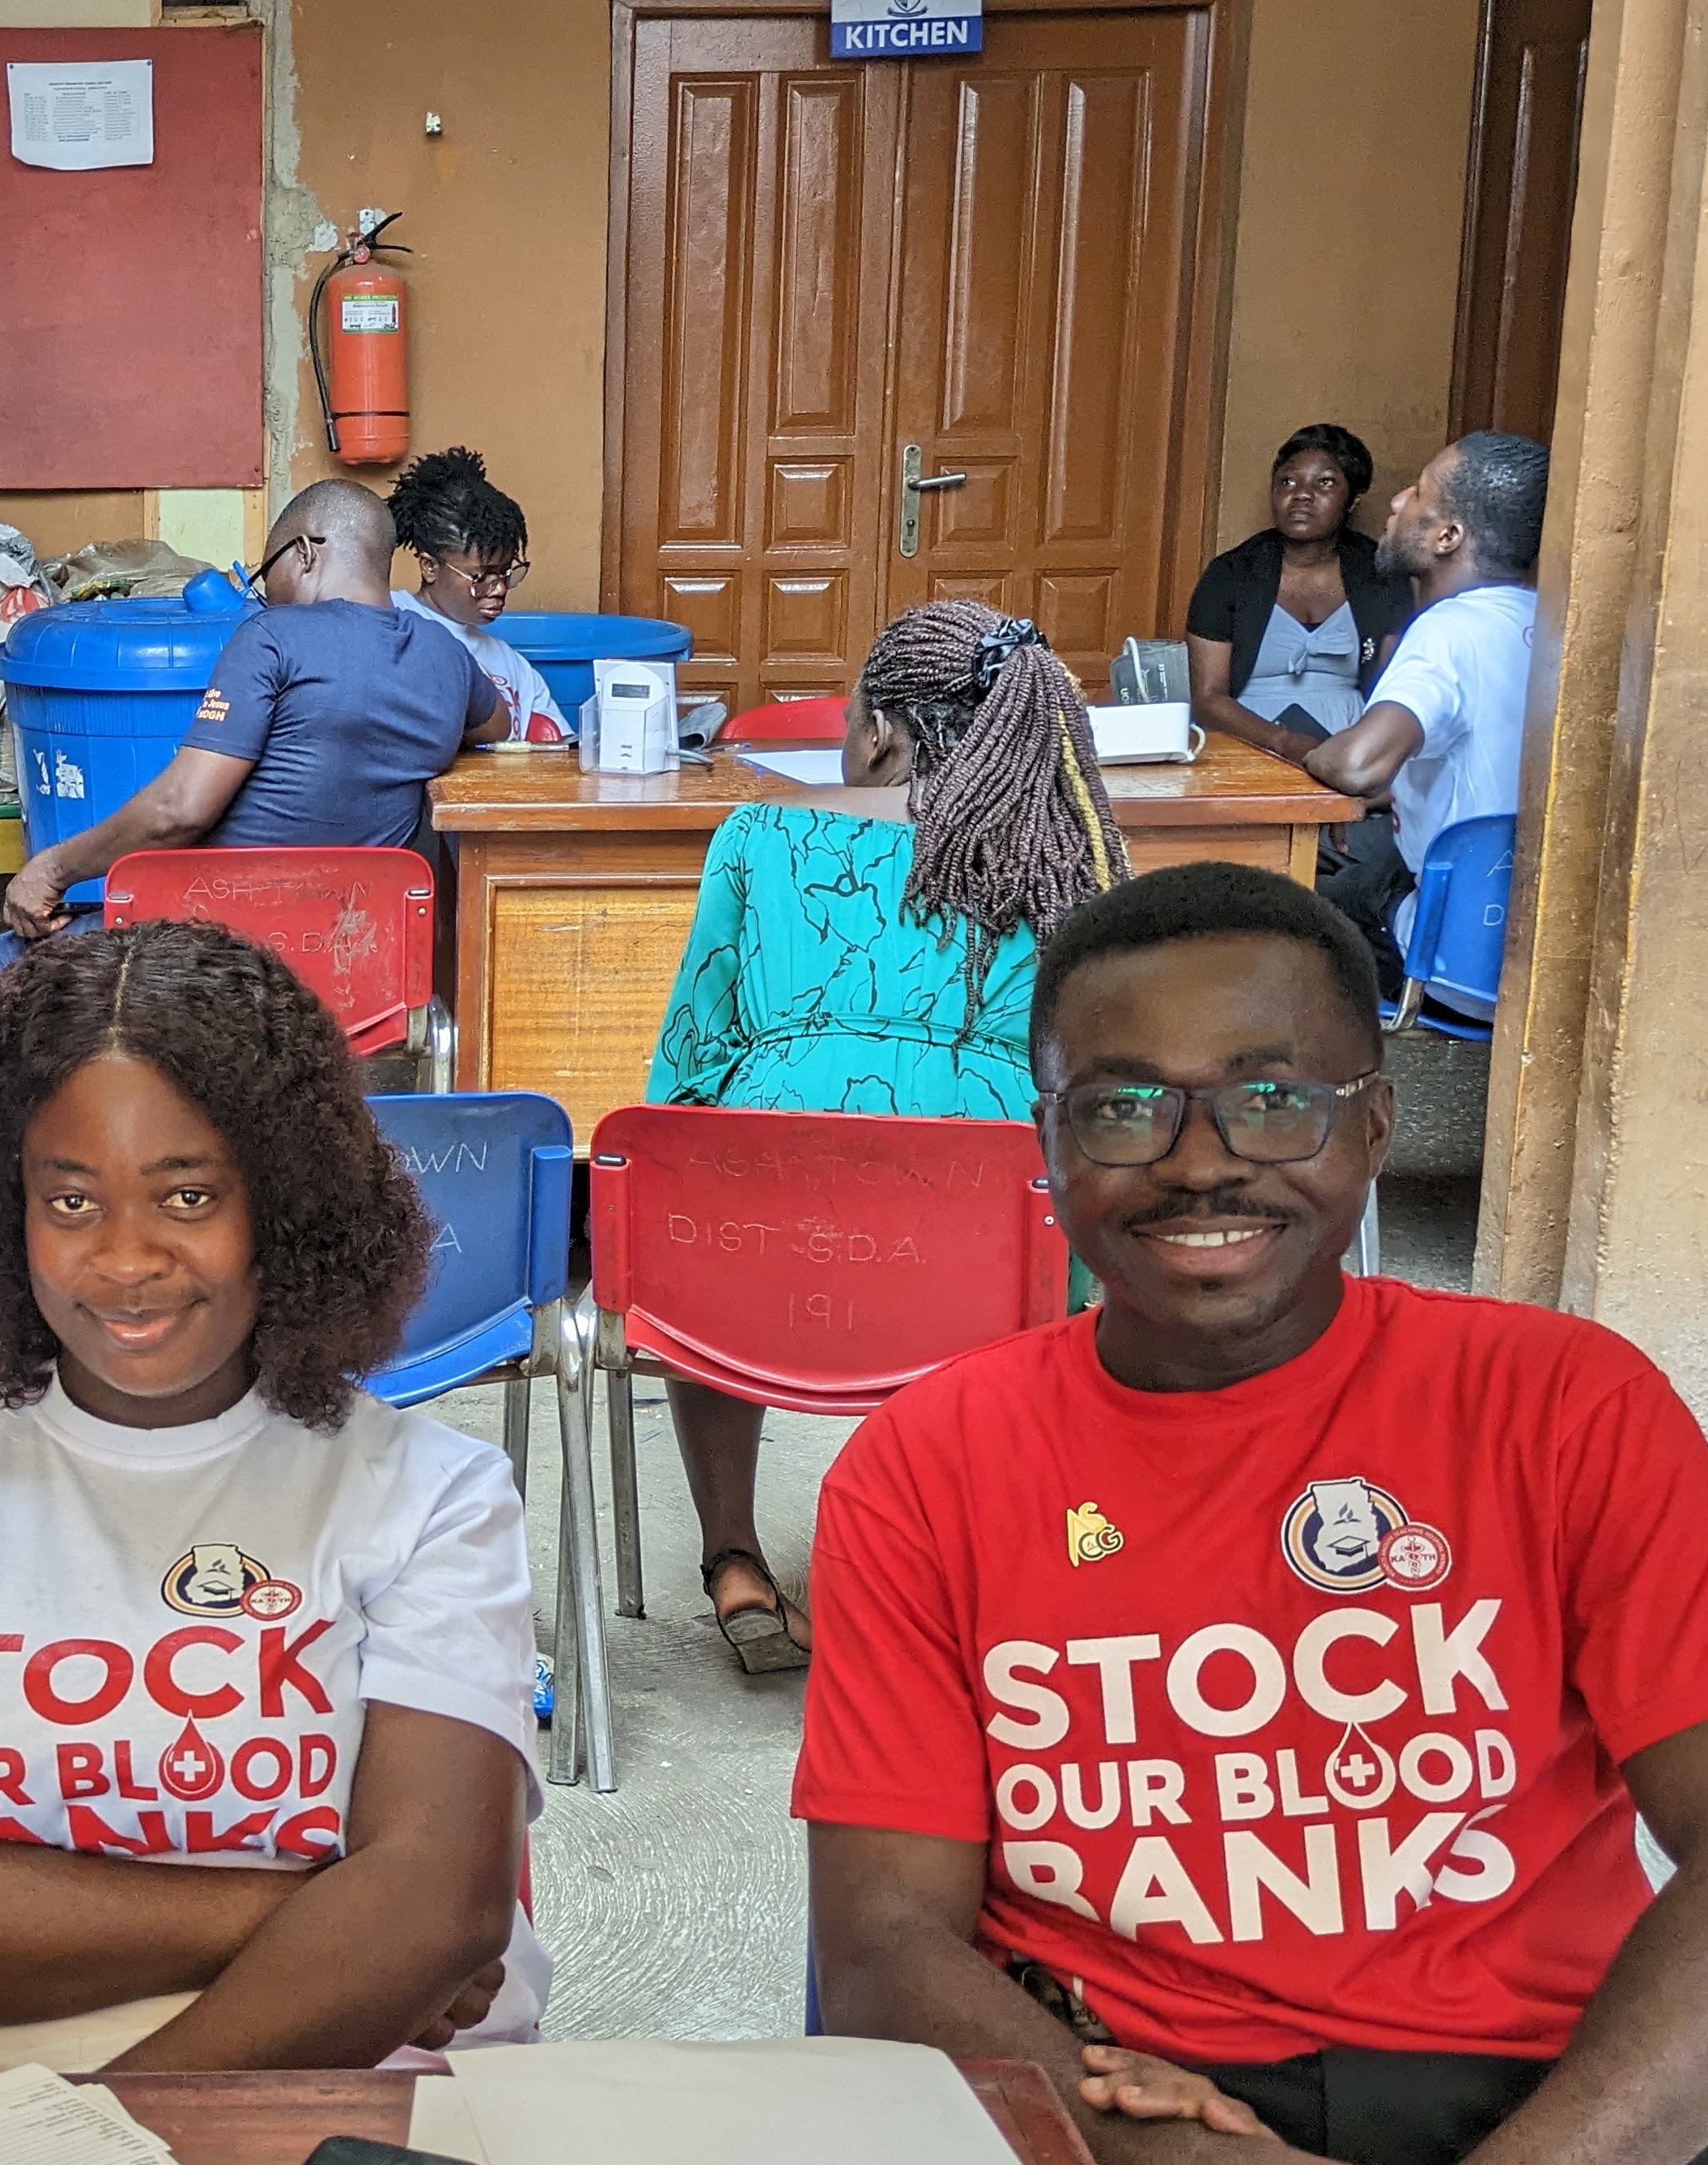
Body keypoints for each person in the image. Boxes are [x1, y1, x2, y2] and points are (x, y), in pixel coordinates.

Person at [798, 860, 1708, 2165]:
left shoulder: (1558, 1403)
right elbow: (882, 1946)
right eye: (1121, 1106)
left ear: (1372, 1121)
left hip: (1553, 2114)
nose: (1197, 1159)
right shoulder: (927, 1462)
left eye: (1269, 1095)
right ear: (1045, 1142)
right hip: (1127, 2119)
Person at [0, 920, 542, 2076]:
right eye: (71, 1203)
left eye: (188, 1196)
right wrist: (321, 1911)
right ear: (3, 1207)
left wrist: (99, 2137)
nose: (125, 1260)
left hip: (363, 2110)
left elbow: (435, 1907)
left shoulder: (435, 1497)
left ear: (286, 1202)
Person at [644, 600, 1130, 1671]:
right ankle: (960, 1560)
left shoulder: (761, 838)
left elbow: (690, 1062)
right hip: (981, 1290)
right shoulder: (1064, 873)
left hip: (759, 1278)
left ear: (874, 734)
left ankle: (733, 1558)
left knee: (703, 1188)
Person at [0, 479, 511, 958]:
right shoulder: (446, 655)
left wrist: (53, 870)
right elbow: (497, 727)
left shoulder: (273, 636)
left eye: (268, 574)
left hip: (224, 952)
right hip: (356, 950)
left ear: (305, 553)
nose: (267, 595)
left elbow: (179, 811)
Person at [1304, 431, 1546, 995]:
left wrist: (1316, 758)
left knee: (1306, 889)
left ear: (1448, 536)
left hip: (1460, 963)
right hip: (1533, 959)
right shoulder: (1548, 619)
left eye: (1416, 493)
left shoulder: (1447, 631)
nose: (1395, 502)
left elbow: (1359, 765)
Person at [1183, 427, 1417, 762]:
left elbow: (1394, 690)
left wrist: (1351, 757)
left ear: (1353, 500)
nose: (1302, 495)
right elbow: (1208, 699)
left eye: (1325, 482)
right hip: (1247, 748)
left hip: (1352, 753)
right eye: (1288, 482)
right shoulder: (1230, 575)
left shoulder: (1380, 575)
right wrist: (1285, 743)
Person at [389, 447, 565, 743]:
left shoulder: (512, 664)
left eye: (506, 573)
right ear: (430, 567)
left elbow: (553, 748)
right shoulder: (389, 621)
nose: (500, 589)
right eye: (481, 577)